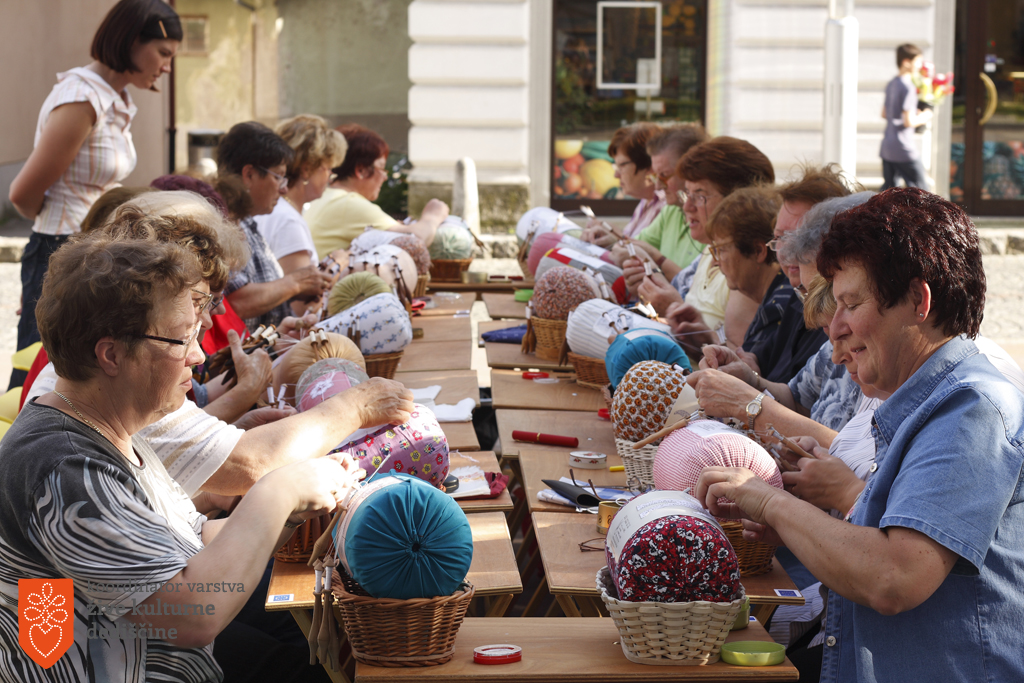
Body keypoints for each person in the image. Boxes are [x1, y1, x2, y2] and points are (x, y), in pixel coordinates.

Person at [0, 229, 410, 682]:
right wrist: (277, 491)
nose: (197, 356)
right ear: (112, 355)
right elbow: (190, 614)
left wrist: (290, 511)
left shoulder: (101, 429)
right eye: (181, 339)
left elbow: (193, 540)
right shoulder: (65, 468)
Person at [696, 188, 1024, 683]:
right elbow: (874, 536)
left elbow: (893, 577)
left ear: (919, 301)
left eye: (851, 303)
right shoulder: (918, 397)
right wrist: (800, 527)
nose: (834, 330)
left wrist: (769, 502)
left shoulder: (972, 408)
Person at [6, 0, 181, 389]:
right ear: (131, 41)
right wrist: (61, 219)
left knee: (84, 376)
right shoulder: (82, 98)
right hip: (60, 245)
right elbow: (22, 193)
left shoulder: (114, 98)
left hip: (90, 246)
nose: (168, 66)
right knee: (42, 373)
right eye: (163, 53)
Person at [687, 193, 875, 449]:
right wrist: (750, 379)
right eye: (803, 292)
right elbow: (797, 399)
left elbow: (858, 456)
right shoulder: (832, 344)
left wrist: (749, 403)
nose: (811, 313)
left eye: (823, 294)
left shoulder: (881, 354)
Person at [650, 137, 776, 352]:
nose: (687, 207)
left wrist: (671, 306)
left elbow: (743, 361)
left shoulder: (744, 266)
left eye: (700, 196)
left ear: (737, 201)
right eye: (687, 194)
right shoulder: (711, 250)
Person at [216, 121, 333, 331]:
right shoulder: (221, 225)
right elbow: (236, 302)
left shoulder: (247, 221)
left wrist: (299, 289)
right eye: (278, 177)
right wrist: (296, 283)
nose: (283, 189)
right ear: (249, 175)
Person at [705, 186, 825, 383]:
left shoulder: (785, 300)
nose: (715, 261)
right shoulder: (794, 298)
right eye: (779, 238)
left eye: (721, 250)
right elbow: (779, 386)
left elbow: (786, 391)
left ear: (759, 251)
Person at [305, 124, 449, 256]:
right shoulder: (349, 203)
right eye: (381, 168)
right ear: (361, 171)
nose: (385, 177)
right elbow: (415, 241)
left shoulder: (326, 196)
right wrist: (433, 216)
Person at [608, 124, 708, 282]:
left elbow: (699, 289)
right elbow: (629, 248)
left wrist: (656, 261)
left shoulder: (713, 219)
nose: (658, 187)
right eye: (656, 176)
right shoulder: (671, 211)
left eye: (664, 176)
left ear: (692, 172)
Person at [254, 114, 347, 275]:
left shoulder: (274, 208)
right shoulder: (288, 220)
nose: (330, 176)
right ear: (307, 169)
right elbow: (302, 289)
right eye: (327, 168)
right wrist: (338, 263)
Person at [771, 164, 853, 292]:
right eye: (780, 237)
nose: (786, 251)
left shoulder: (853, 300)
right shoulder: (782, 296)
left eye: (800, 238)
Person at [580, 123, 666, 246]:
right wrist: (610, 233)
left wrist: (616, 237)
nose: (616, 175)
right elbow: (632, 244)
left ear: (649, 166)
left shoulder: (667, 206)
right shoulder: (645, 201)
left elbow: (648, 253)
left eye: (622, 166)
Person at [880, 44, 932, 191]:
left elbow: (884, 113)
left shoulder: (892, 84)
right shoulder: (908, 87)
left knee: (889, 194)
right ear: (906, 62)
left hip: (887, 146)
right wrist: (926, 116)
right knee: (922, 192)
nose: (920, 66)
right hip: (903, 147)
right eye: (918, 61)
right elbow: (909, 121)